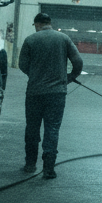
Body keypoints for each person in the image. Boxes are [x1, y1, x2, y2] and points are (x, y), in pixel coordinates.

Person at [18, 12, 83, 179]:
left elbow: (22, 65)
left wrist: (35, 75)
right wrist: (69, 77)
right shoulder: (64, 39)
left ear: (37, 24)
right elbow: (78, 62)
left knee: (32, 129)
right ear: (49, 23)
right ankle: (48, 168)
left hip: (34, 93)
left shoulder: (30, 40)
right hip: (57, 94)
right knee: (52, 129)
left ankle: (30, 165)